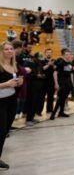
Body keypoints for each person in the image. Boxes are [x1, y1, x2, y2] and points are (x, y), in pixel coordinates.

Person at [0, 41, 23, 170]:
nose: (9, 51)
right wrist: (6, 84)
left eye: (11, 49)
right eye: (6, 49)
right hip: (0, 102)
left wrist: (20, 82)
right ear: (1, 51)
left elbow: (18, 79)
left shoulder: (14, 65)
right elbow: (6, 84)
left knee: (4, 131)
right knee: (1, 130)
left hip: (12, 101)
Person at [50, 48, 73, 120]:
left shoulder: (69, 63)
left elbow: (70, 74)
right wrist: (56, 84)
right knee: (60, 99)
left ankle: (61, 112)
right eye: (66, 54)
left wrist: (71, 83)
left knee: (64, 98)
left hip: (68, 84)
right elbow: (55, 73)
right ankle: (53, 114)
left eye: (69, 54)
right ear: (63, 55)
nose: (68, 55)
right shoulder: (61, 63)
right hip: (61, 83)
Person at [42, 49, 55, 113]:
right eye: (47, 52)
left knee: (51, 96)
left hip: (51, 81)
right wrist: (48, 64)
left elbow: (56, 69)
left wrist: (53, 65)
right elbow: (42, 69)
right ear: (45, 53)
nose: (49, 54)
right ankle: (39, 111)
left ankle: (49, 110)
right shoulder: (42, 60)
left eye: (50, 52)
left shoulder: (54, 61)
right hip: (43, 81)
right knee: (42, 96)